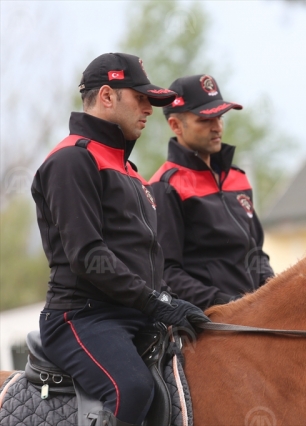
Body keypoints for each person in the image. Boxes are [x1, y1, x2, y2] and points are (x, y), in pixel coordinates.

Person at [31, 53, 210, 426]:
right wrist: (155, 301)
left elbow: (145, 257)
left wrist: (173, 301)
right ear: (108, 96)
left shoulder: (128, 169)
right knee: (133, 388)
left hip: (133, 313)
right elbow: (88, 255)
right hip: (82, 317)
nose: (148, 109)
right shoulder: (71, 161)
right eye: (141, 98)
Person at [150, 74, 274, 310]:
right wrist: (226, 303)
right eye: (205, 119)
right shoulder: (165, 186)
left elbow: (256, 253)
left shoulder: (238, 179)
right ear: (176, 125)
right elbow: (166, 273)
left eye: (220, 116)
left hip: (254, 316)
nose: (217, 126)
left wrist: (272, 290)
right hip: (211, 324)